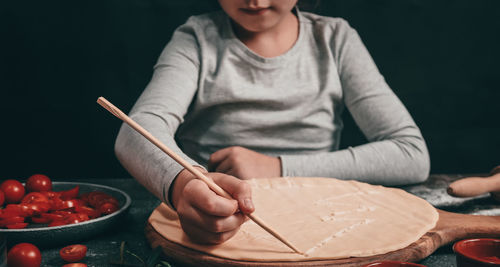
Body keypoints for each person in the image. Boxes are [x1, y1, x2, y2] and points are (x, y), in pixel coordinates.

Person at [115, 0, 430, 245]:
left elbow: (411, 155)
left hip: (323, 220)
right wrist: (185, 185)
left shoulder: (335, 38)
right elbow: (135, 132)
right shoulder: (196, 40)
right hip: (219, 221)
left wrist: (278, 168)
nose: (255, 0)